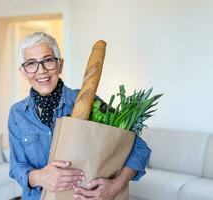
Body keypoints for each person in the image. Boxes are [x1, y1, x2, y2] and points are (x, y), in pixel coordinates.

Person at [8, 32, 151, 200]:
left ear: (60, 65)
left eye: (48, 60)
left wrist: (116, 185)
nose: (41, 70)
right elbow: (16, 167)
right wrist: (39, 177)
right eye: (31, 64)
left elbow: (140, 148)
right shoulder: (17, 113)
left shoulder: (89, 102)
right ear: (23, 72)